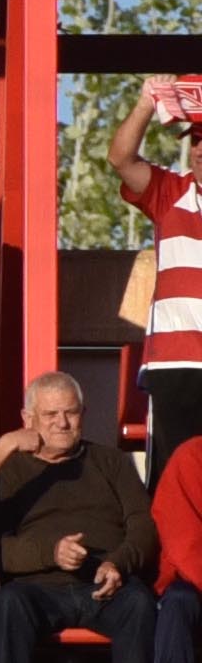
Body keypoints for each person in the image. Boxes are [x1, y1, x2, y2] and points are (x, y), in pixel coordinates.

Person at [0, 372, 152, 663]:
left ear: (83, 414)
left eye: (71, 412)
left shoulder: (112, 462)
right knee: (9, 603)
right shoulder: (9, 469)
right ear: (28, 418)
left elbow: (143, 524)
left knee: (139, 603)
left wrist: (117, 563)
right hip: (37, 589)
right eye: (50, 414)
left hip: (105, 584)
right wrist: (52, 553)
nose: (62, 423)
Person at [107, 88, 202, 471]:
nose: (199, 149)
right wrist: (147, 99)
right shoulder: (171, 192)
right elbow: (120, 158)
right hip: (174, 361)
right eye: (195, 140)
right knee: (175, 474)